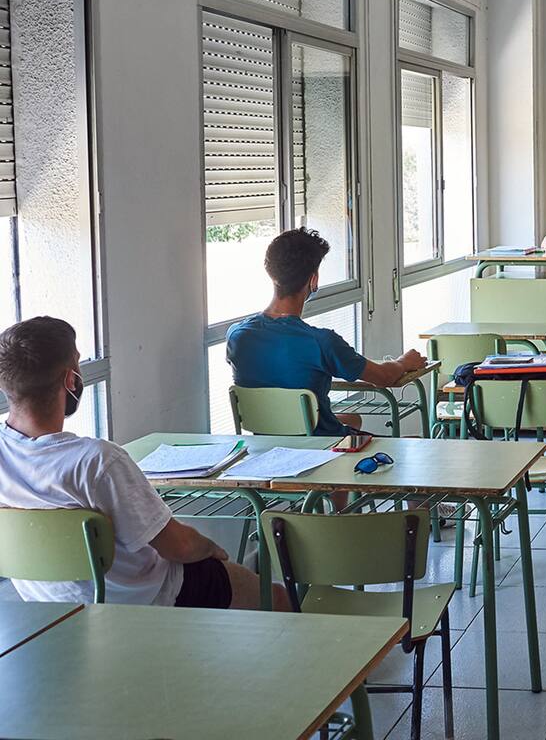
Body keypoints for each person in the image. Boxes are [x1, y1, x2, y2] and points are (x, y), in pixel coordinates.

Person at [0, 317, 287, 609]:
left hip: (54, 609)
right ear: (70, 379)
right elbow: (179, 546)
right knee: (274, 597)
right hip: (151, 597)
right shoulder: (98, 462)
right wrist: (211, 547)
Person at [226, 228, 427, 436]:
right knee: (413, 444)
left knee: (353, 419)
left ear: (271, 272)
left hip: (269, 450)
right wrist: (403, 362)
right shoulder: (322, 342)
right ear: (313, 280)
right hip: (323, 450)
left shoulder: (237, 336)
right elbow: (384, 377)